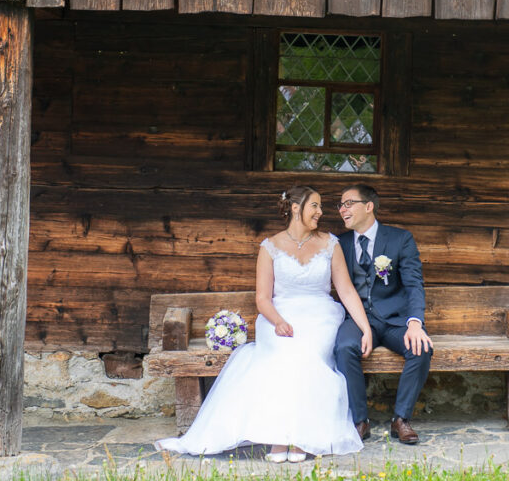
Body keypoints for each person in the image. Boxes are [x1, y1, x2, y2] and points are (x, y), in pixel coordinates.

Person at [155, 184, 373, 462]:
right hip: (277, 315)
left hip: (320, 316)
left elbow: (346, 291)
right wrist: (278, 322)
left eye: (320, 206)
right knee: (279, 357)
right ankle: (279, 438)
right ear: (296, 208)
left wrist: (365, 328)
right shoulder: (270, 247)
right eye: (314, 205)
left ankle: (302, 438)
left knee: (307, 356)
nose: (321, 211)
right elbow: (262, 298)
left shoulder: (331, 243)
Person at [335, 184, 433, 445]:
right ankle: (359, 420)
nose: (342, 209)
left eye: (348, 203)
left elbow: (414, 284)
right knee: (344, 347)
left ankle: (401, 419)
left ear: (369, 206)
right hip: (357, 320)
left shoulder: (400, 239)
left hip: (393, 320)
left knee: (421, 348)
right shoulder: (338, 244)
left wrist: (415, 323)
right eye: (340, 205)